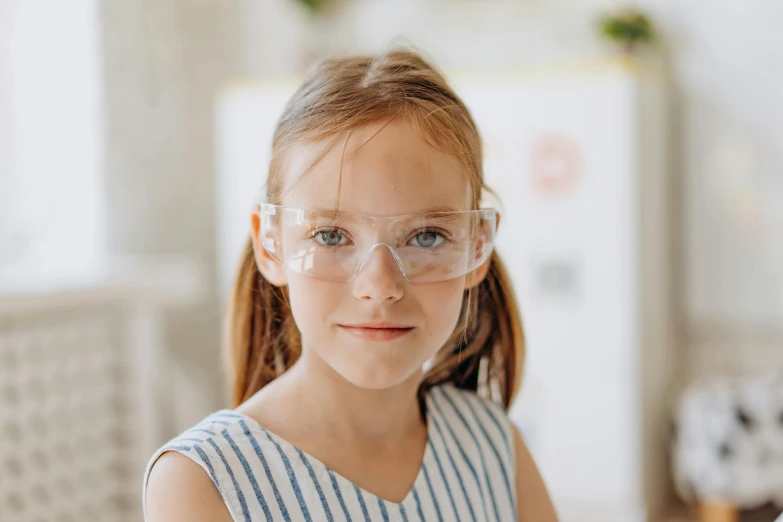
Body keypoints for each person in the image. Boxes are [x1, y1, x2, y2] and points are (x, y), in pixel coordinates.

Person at [144, 48, 558, 522]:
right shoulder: (203, 482)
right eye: (331, 236)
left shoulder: (494, 447)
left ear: (477, 248)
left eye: (426, 236)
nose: (379, 286)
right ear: (271, 246)